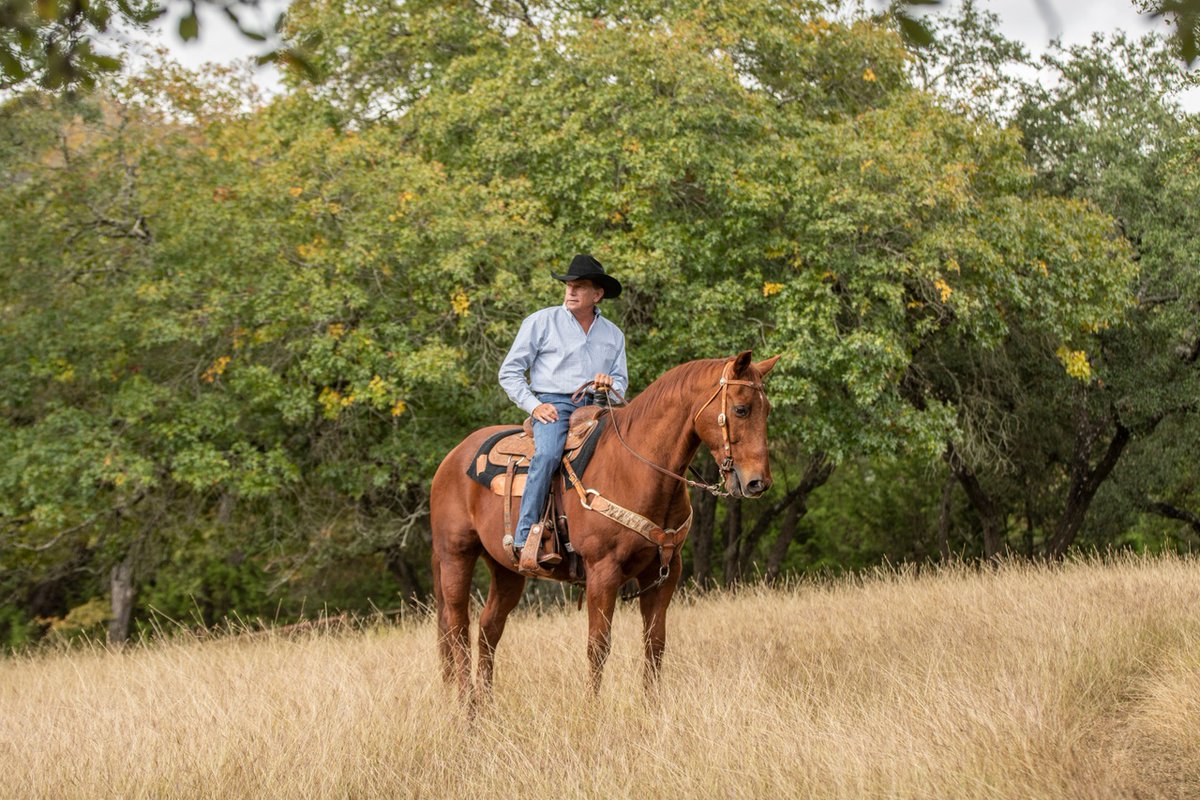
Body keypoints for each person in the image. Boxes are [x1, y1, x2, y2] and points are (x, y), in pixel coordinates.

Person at [498, 254, 628, 569]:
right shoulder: (541, 322)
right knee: (547, 455)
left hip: (597, 406)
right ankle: (525, 534)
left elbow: (622, 386)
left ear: (597, 295)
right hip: (553, 404)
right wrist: (534, 404)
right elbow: (509, 372)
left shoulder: (613, 334)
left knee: (625, 453)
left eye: (579, 286)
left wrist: (608, 385)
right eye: (568, 285)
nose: (570, 291)